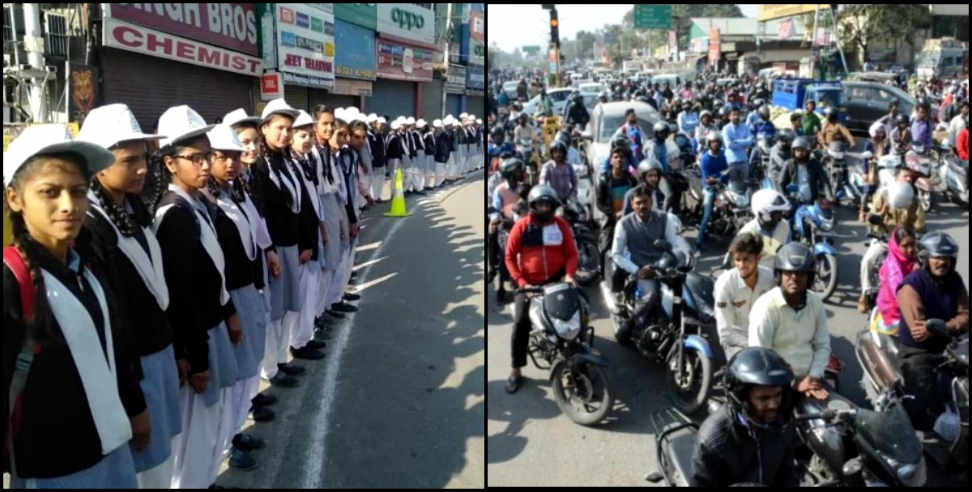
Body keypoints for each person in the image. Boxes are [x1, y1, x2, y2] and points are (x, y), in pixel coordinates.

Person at [3, 124, 146, 488]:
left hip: (111, 451)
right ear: (15, 199)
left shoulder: (84, 263)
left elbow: (112, 345)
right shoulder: (11, 280)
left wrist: (135, 406)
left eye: (78, 192)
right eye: (50, 192)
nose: (69, 206)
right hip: (54, 470)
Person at [76, 104, 183, 487]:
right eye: (129, 160)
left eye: (143, 158)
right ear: (98, 165)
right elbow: (114, 323)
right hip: (135, 368)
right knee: (146, 466)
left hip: (158, 351)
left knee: (162, 458)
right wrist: (133, 400)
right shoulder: (92, 229)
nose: (141, 169)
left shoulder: (131, 207)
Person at [146, 105, 241, 488]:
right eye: (196, 158)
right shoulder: (174, 215)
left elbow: (211, 272)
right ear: (170, 163)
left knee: (208, 422)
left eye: (208, 156)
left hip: (210, 324)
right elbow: (181, 294)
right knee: (197, 427)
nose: (206, 165)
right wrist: (195, 357)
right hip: (197, 333)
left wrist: (228, 309)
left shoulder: (193, 203)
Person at [199, 123, 273, 472]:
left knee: (247, 367)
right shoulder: (207, 202)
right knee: (235, 372)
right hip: (229, 297)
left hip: (247, 286)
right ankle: (226, 442)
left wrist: (268, 252)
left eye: (235, 157)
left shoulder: (231, 191)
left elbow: (253, 232)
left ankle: (233, 430)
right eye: (221, 157)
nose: (231, 163)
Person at [504, 185, 579, 393]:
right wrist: (522, 283)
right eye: (540, 204)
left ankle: (570, 364)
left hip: (556, 281)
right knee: (520, 324)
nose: (544, 208)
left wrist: (570, 275)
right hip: (529, 285)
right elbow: (509, 258)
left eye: (548, 204)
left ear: (553, 205)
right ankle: (516, 369)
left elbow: (572, 254)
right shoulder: (522, 227)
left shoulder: (561, 225)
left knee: (576, 313)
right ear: (533, 206)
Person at [691, 347, 801, 487]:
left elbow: (787, 471)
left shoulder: (782, 422)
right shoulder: (711, 440)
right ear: (741, 399)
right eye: (764, 398)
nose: (774, 404)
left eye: (778, 395)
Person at [895, 232, 969, 431]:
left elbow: (965, 314)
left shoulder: (955, 280)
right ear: (926, 258)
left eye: (946, 258)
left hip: (951, 345)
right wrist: (952, 325)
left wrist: (946, 327)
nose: (942, 262)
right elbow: (920, 330)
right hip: (919, 351)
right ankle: (918, 439)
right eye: (937, 257)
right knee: (921, 404)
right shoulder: (911, 285)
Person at [748, 242, 831, 402]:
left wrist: (813, 377)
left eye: (800, 273)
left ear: (809, 277)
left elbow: (822, 345)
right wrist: (793, 384)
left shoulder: (816, 303)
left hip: (811, 379)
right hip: (775, 383)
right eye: (789, 273)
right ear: (779, 275)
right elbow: (761, 357)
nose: (794, 278)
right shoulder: (765, 307)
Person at [610, 185, 691, 342]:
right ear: (632, 204)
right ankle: (630, 323)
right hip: (641, 268)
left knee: (686, 291)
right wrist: (637, 270)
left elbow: (673, 244)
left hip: (664, 266)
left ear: (651, 201)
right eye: (638, 203)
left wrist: (684, 257)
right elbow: (617, 254)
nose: (642, 206)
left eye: (645, 202)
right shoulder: (624, 224)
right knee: (650, 296)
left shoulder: (664, 218)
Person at [714, 234, 776, 361]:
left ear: (758, 258)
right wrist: (753, 345)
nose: (741, 265)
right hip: (737, 342)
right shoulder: (724, 284)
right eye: (737, 260)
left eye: (747, 259)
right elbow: (726, 332)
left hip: (766, 340)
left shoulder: (769, 278)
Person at [871, 227, 919, 335]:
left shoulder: (913, 259)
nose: (910, 249)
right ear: (897, 246)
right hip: (895, 312)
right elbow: (899, 295)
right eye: (905, 246)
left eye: (912, 244)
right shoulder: (894, 269)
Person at [596, 147, 639, 265]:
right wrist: (614, 214)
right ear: (610, 161)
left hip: (629, 217)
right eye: (616, 157)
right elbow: (599, 203)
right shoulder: (604, 179)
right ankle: (602, 273)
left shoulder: (631, 179)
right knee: (604, 247)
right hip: (611, 219)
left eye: (622, 157)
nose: (619, 160)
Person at [697, 131, 729, 249]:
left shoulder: (723, 154)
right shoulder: (705, 158)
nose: (715, 144)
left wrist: (721, 177)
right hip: (709, 188)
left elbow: (728, 170)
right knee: (707, 214)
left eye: (717, 142)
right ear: (709, 143)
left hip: (723, 186)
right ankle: (698, 242)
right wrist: (720, 177)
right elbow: (708, 179)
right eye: (713, 142)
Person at [779, 136, 828, 205]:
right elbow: (781, 183)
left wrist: (828, 196)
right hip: (794, 201)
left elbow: (824, 181)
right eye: (797, 150)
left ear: (807, 151)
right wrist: (785, 198)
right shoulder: (789, 164)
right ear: (793, 151)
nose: (800, 153)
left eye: (802, 150)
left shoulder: (815, 163)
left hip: (812, 201)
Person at [538, 139, 577, 205]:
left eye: (560, 152)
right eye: (555, 152)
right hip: (553, 200)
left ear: (564, 153)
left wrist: (572, 195)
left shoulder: (568, 166)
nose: (558, 154)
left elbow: (575, 183)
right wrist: (547, 194)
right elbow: (542, 182)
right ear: (552, 154)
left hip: (568, 200)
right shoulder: (547, 166)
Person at [721, 107, 754, 182]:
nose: (736, 117)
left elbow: (750, 141)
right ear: (729, 117)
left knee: (745, 183)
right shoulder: (726, 129)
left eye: (738, 115)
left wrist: (737, 141)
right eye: (734, 115)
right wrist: (744, 142)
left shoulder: (744, 127)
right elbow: (729, 145)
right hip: (731, 161)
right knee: (734, 185)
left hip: (743, 160)